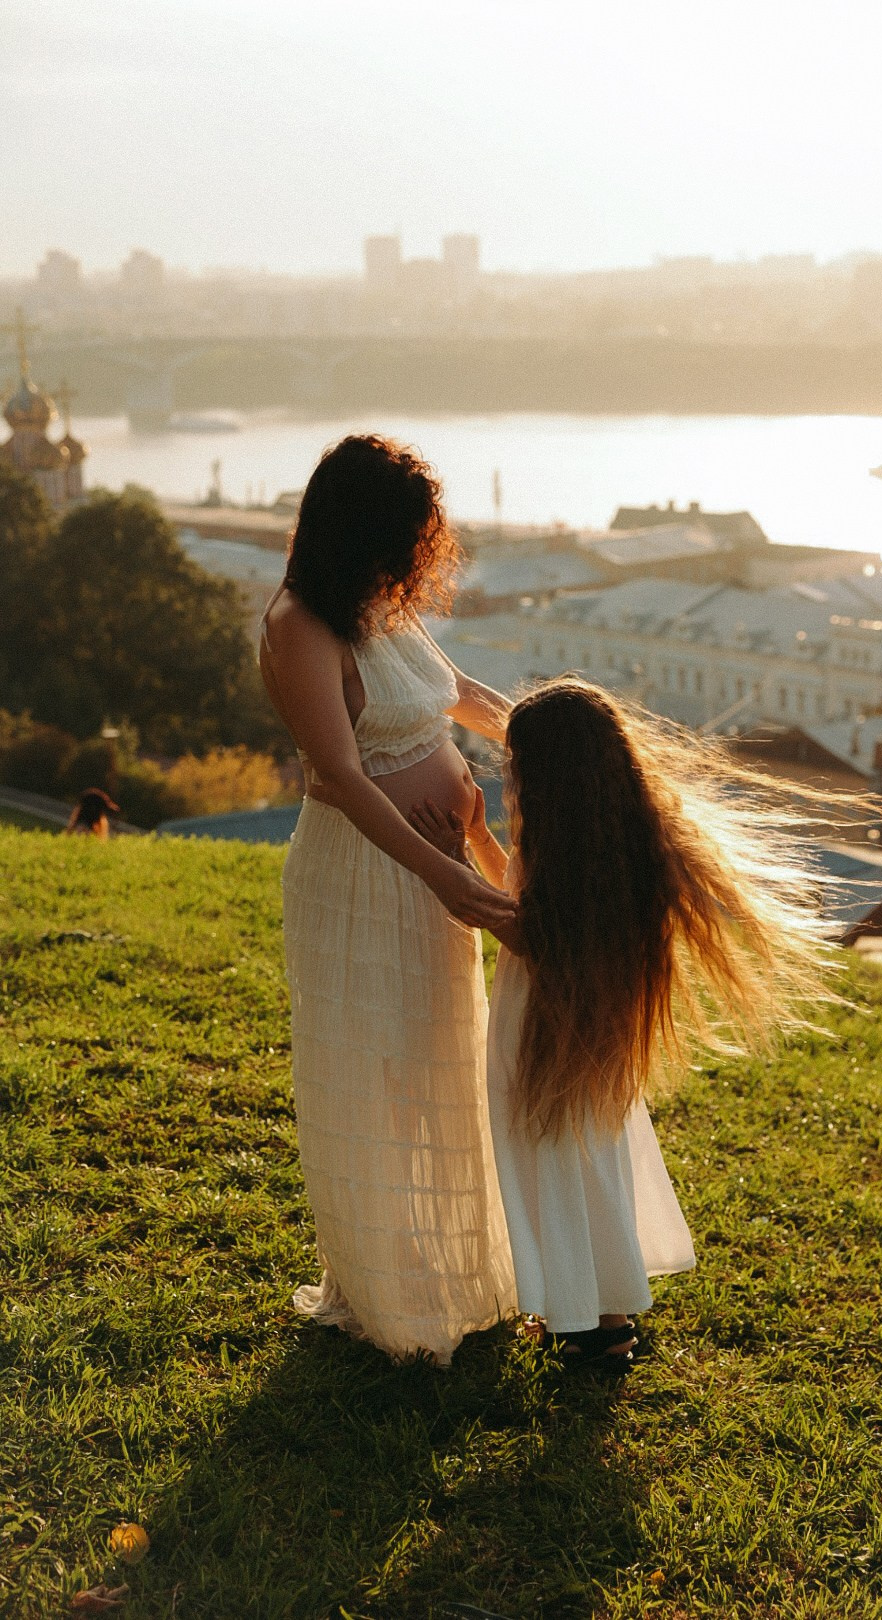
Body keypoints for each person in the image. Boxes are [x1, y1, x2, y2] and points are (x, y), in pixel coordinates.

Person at [410, 678, 835, 1370]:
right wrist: (481, 837)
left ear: (546, 775)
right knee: (593, 1166)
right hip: (591, 1041)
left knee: (553, 1167)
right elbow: (520, 895)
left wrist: (449, 859)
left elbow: (518, 930)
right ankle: (607, 1318)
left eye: (515, 766)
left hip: (542, 1035)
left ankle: (582, 1323)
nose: (508, 776)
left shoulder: (569, 852)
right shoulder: (610, 839)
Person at [259, 434, 518, 1366]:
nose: (411, 558)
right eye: (399, 537)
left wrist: (545, 728)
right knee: (377, 1073)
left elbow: (458, 693)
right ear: (358, 528)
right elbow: (343, 776)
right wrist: (444, 873)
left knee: (441, 1059)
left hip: (434, 869)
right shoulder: (301, 624)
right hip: (368, 877)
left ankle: (456, 1272)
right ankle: (395, 1298)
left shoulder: (376, 603)